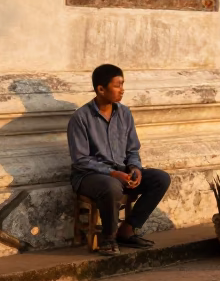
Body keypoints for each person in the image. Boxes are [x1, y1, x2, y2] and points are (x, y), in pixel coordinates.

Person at [67, 64, 172, 255]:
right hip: (89, 177)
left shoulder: (124, 113)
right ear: (101, 89)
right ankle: (108, 238)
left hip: (121, 172)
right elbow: (80, 160)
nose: (122, 90)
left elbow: (133, 149)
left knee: (160, 178)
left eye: (123, 84)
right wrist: (114, 173)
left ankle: (128, 229)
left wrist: (135, 168)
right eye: (117, 85)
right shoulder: (80, 118)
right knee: (111, 186)